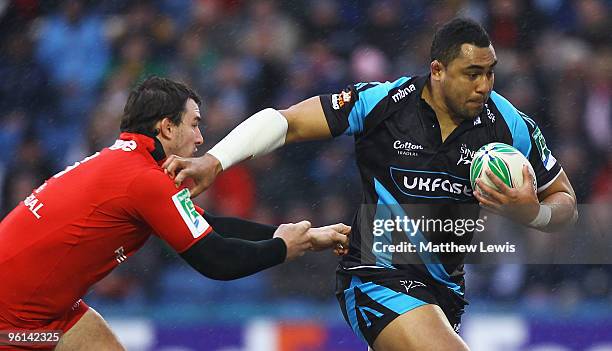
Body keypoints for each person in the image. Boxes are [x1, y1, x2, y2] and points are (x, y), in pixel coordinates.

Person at [163, 18, 578, 351]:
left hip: (445, 291)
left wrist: (533, 213)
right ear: (436, 70)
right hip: (376, 275)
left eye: (490, 73)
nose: (484, 86)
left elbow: (565, 204)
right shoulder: (384, 103)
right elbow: (286, 122)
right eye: (472, 74)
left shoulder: (508, 125)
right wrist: (215, 161)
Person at [0, 77, 350, 351]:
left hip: (45, 304)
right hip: (13, 314)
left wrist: (301, 236)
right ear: (167, 128)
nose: (200, 138)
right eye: (194, 124)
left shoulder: (128, 164)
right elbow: (217, 260)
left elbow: (209, 226)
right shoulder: (143, 180)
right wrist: (282, 249)